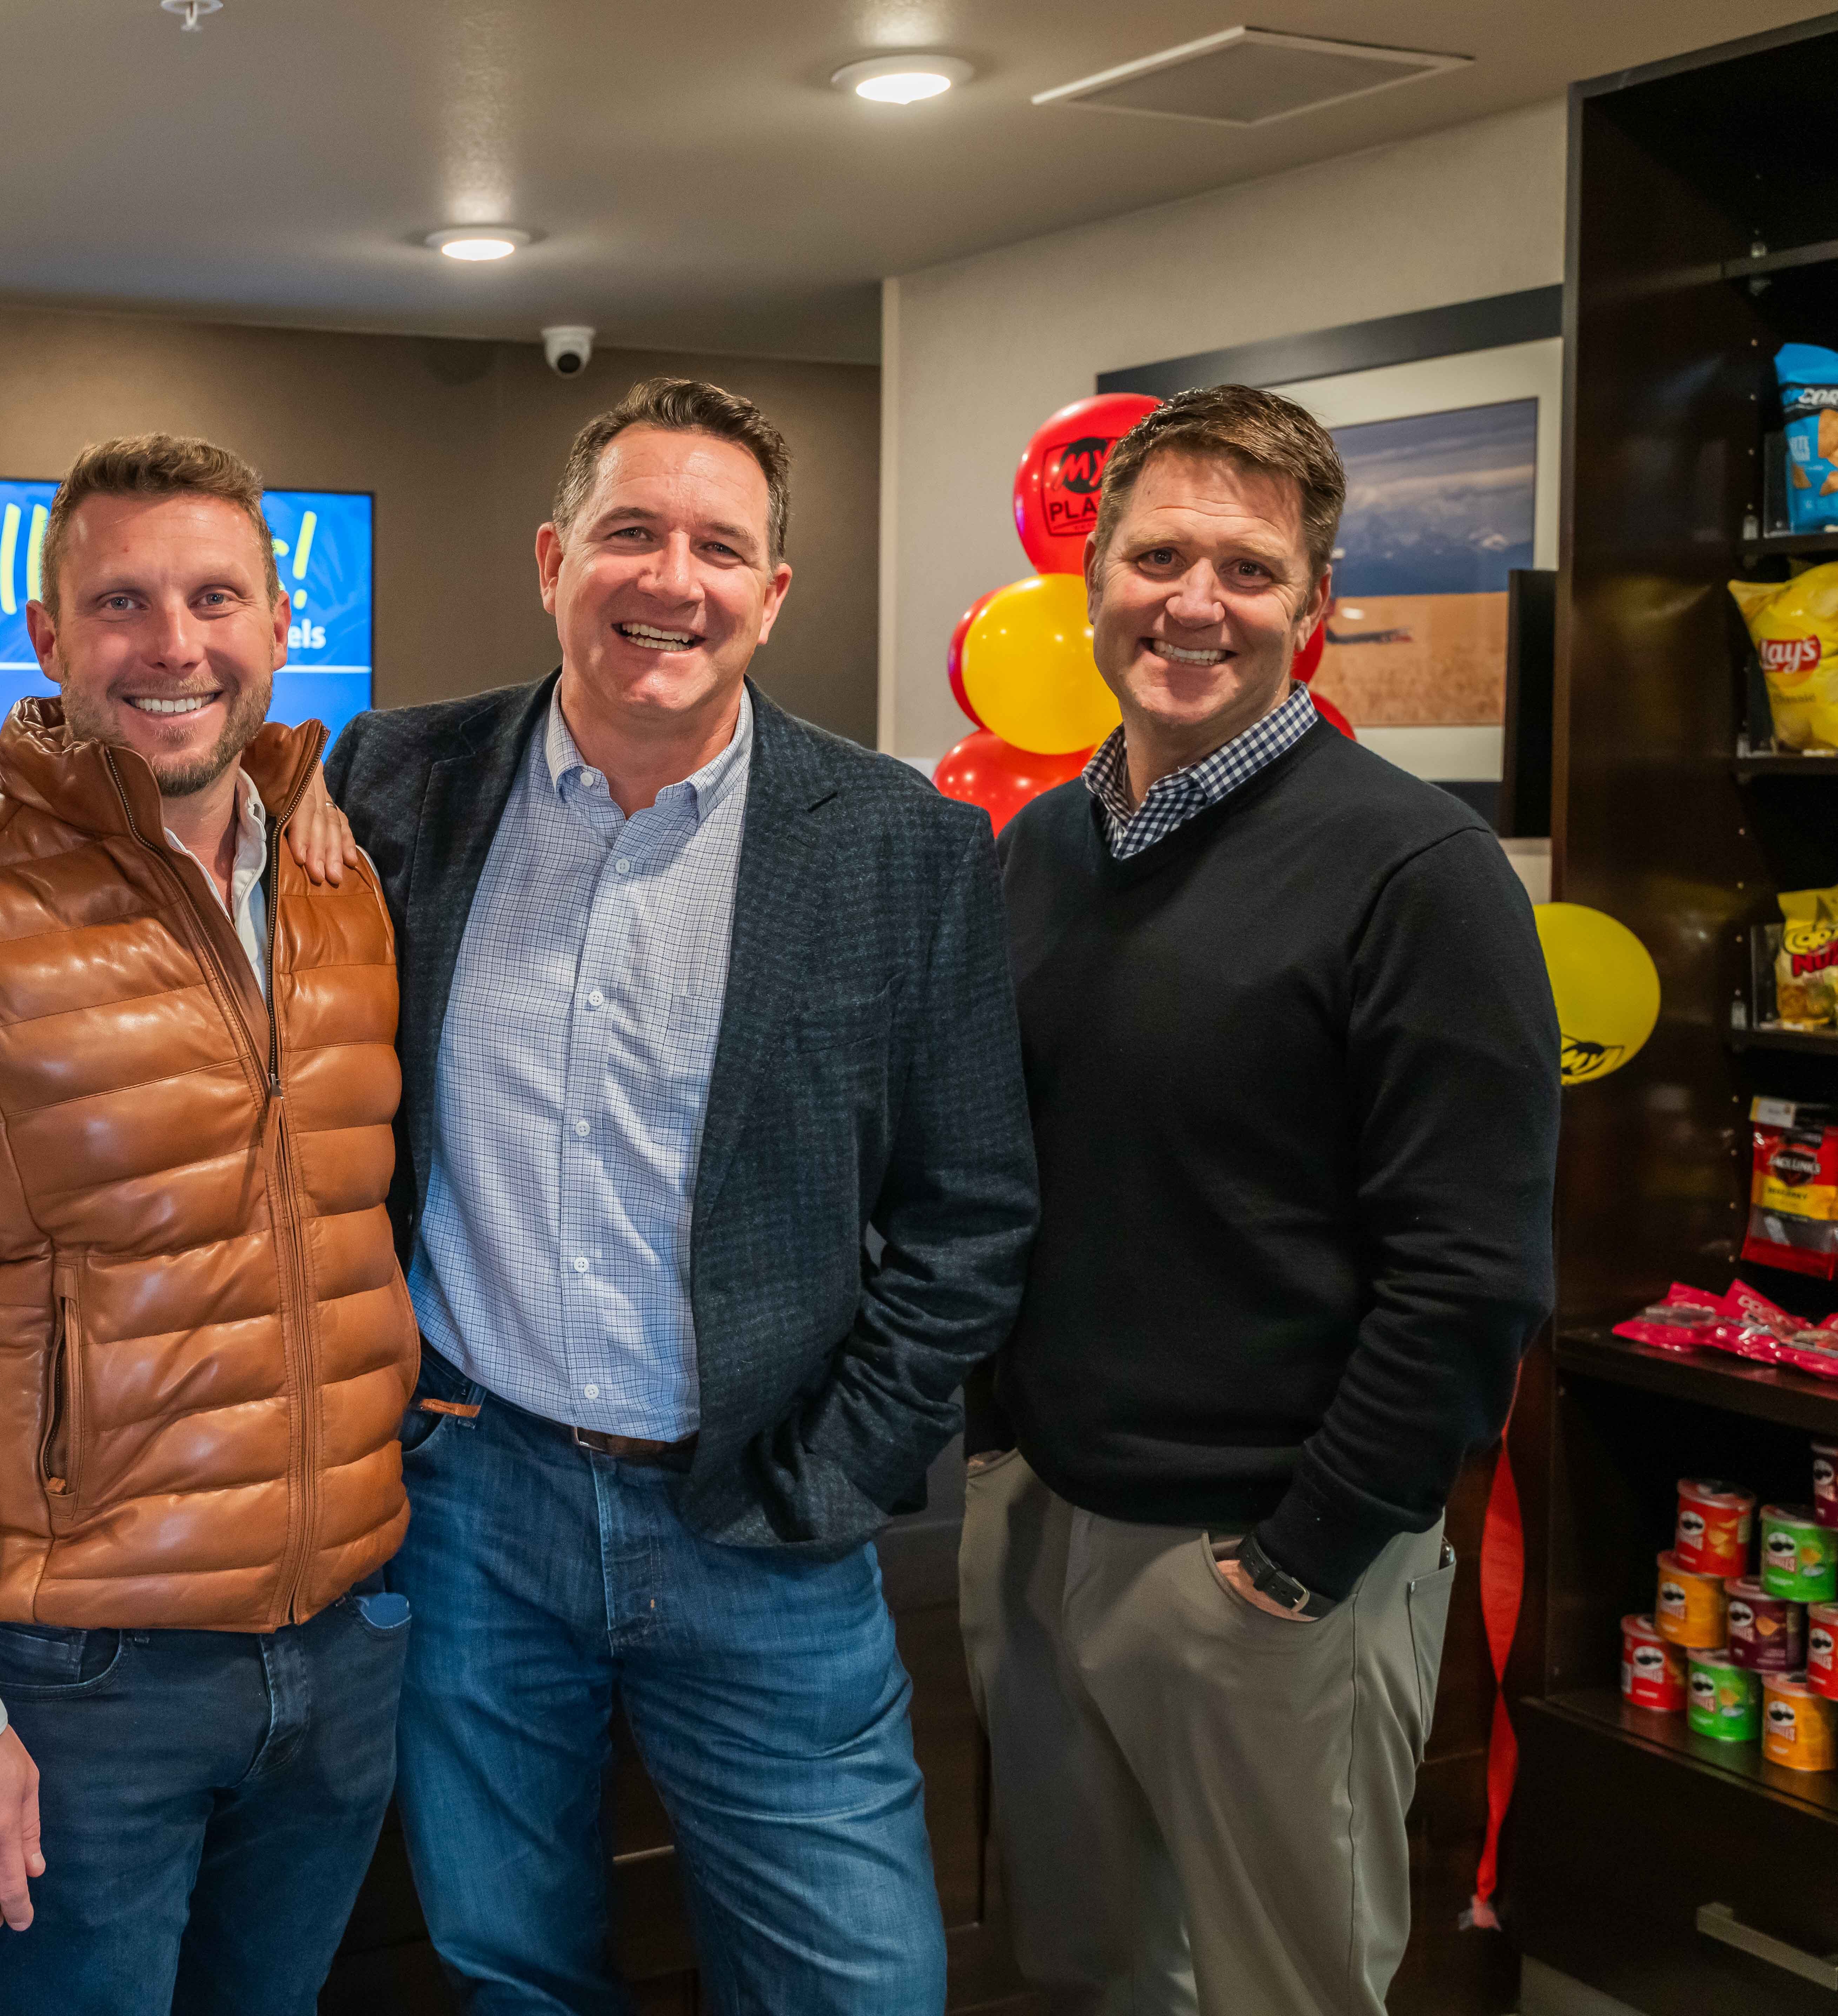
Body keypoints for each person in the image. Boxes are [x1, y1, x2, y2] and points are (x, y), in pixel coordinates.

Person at [322, 378, 1038, 2015]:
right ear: (551, 558)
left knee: (856, 1987)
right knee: (513, 1969)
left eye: (722, 547)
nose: (673, 579)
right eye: (631, 532)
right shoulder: (396, 781)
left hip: (763, 1519)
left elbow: (971, 1213)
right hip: (472, 1504)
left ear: (773, 594)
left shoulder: (897, 844)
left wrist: (840, 1466)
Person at [0, 432, 412, 2016]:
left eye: (213, 598)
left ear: (276, 626)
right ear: (46, 641)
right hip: (76, 1684)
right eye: (120, 603)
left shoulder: (341, 879)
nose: (172, 645)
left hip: (344, 1650)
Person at [962, 383, 1558, 2016]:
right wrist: (996, 1444)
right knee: (1077, 1979)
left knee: (1277, 1996)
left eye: (1246, 570)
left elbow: (1472, 1271)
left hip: (1267, 1561)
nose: (1193, 605)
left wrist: (1302, 1559)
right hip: (1043, 1529)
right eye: (1158, 556)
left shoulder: (1414, 874)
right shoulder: (1037, 857)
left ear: (1315, 609)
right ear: (1091, 581)